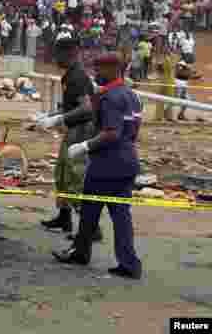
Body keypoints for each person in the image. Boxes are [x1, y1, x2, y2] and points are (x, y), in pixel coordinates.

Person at [54, 52, 143, 279]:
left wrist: (84, 146)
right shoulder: (131, 95)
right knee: (121, 216)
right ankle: (129, 263)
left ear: (114, 69)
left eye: (99, 69)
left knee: (90, 211)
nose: (95, 73)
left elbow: (111, 133)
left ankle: (81, 253)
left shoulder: (112, 97)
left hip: (107, 163)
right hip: (127, 161)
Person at [35, 35, 103, 242]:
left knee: (75, 179)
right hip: (73, 129)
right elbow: (71, 105)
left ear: (70, 53)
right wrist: (51, 116)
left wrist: (59, 118)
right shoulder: (69, 75)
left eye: (58, 54)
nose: (55, 59)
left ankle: (92, 229)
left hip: (82, 131)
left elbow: (86, 108)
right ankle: (64, 218)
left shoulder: (78, 76)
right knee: (62, 174)